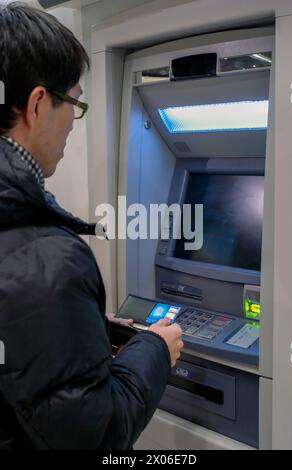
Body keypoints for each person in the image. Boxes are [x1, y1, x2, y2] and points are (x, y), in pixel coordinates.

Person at [0, 2, 183, 450]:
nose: (72, 125)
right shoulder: (46, 258)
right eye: (74, 103)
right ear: (39, 104)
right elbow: (97, 435)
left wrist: (82, 328)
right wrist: (155, 349)